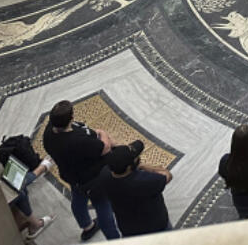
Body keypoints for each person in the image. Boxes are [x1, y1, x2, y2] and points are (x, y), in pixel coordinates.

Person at [42, 99, 120, 241]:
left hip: (71, 176)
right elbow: (105, 148)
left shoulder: (48, 134)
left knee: (78, 199)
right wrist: (102, 133)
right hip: (92, 180)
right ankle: (114, 239)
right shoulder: (77, 141)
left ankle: (87, 226)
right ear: (71, 119)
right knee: (103, 207)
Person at [91, 143, 172, 237]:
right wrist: (145, 166)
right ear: (129, 167)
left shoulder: (105, 175)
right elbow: (167, 175)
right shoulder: (145, 181)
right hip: (156, 228)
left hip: (129, 229)